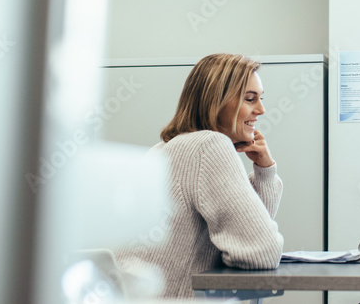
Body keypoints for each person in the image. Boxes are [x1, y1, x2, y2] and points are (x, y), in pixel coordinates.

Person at [113, 53, 284, 299]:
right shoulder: (208, 145)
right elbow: (260, 252)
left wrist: (265, 172)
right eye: (250, 99)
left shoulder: (165, 149)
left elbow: (248, 233)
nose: (261, 109)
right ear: (218, 101)